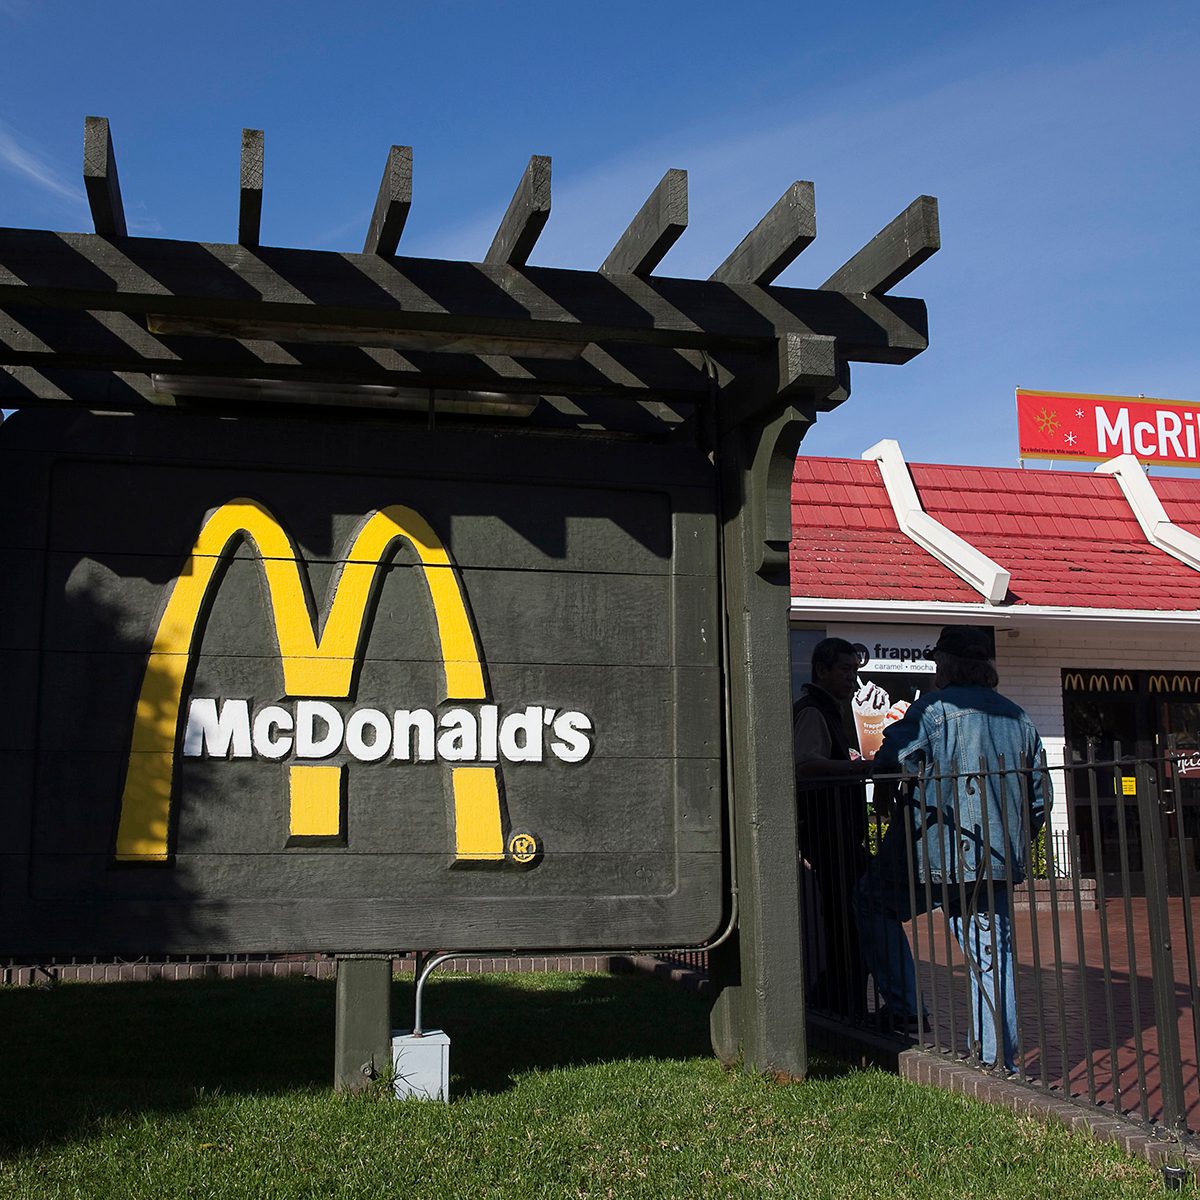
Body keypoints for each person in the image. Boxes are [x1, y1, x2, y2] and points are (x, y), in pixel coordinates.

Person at [852, 625, 1046, 1070]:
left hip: (932, 854)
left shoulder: (936, 710)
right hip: (992, 858)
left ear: (946, 664)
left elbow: (893, 759)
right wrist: (1014, 840)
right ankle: (997, 1060)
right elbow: (1039, 799)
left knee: (871, 901)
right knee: (991, 957)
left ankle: (905, 1003)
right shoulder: (1019, 718)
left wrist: (887, 794)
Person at [794, 637, 873, 1020]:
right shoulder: (813, 711)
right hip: (828, 837)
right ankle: (840, 1002)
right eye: (845, 670)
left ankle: (841, 1000)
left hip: (838, 836)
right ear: (821, 670)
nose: (852, 680)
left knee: (847, 919)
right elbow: (805, 764)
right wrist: (859, 768)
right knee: (843, 922)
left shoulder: (829, 710)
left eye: (855, 671)